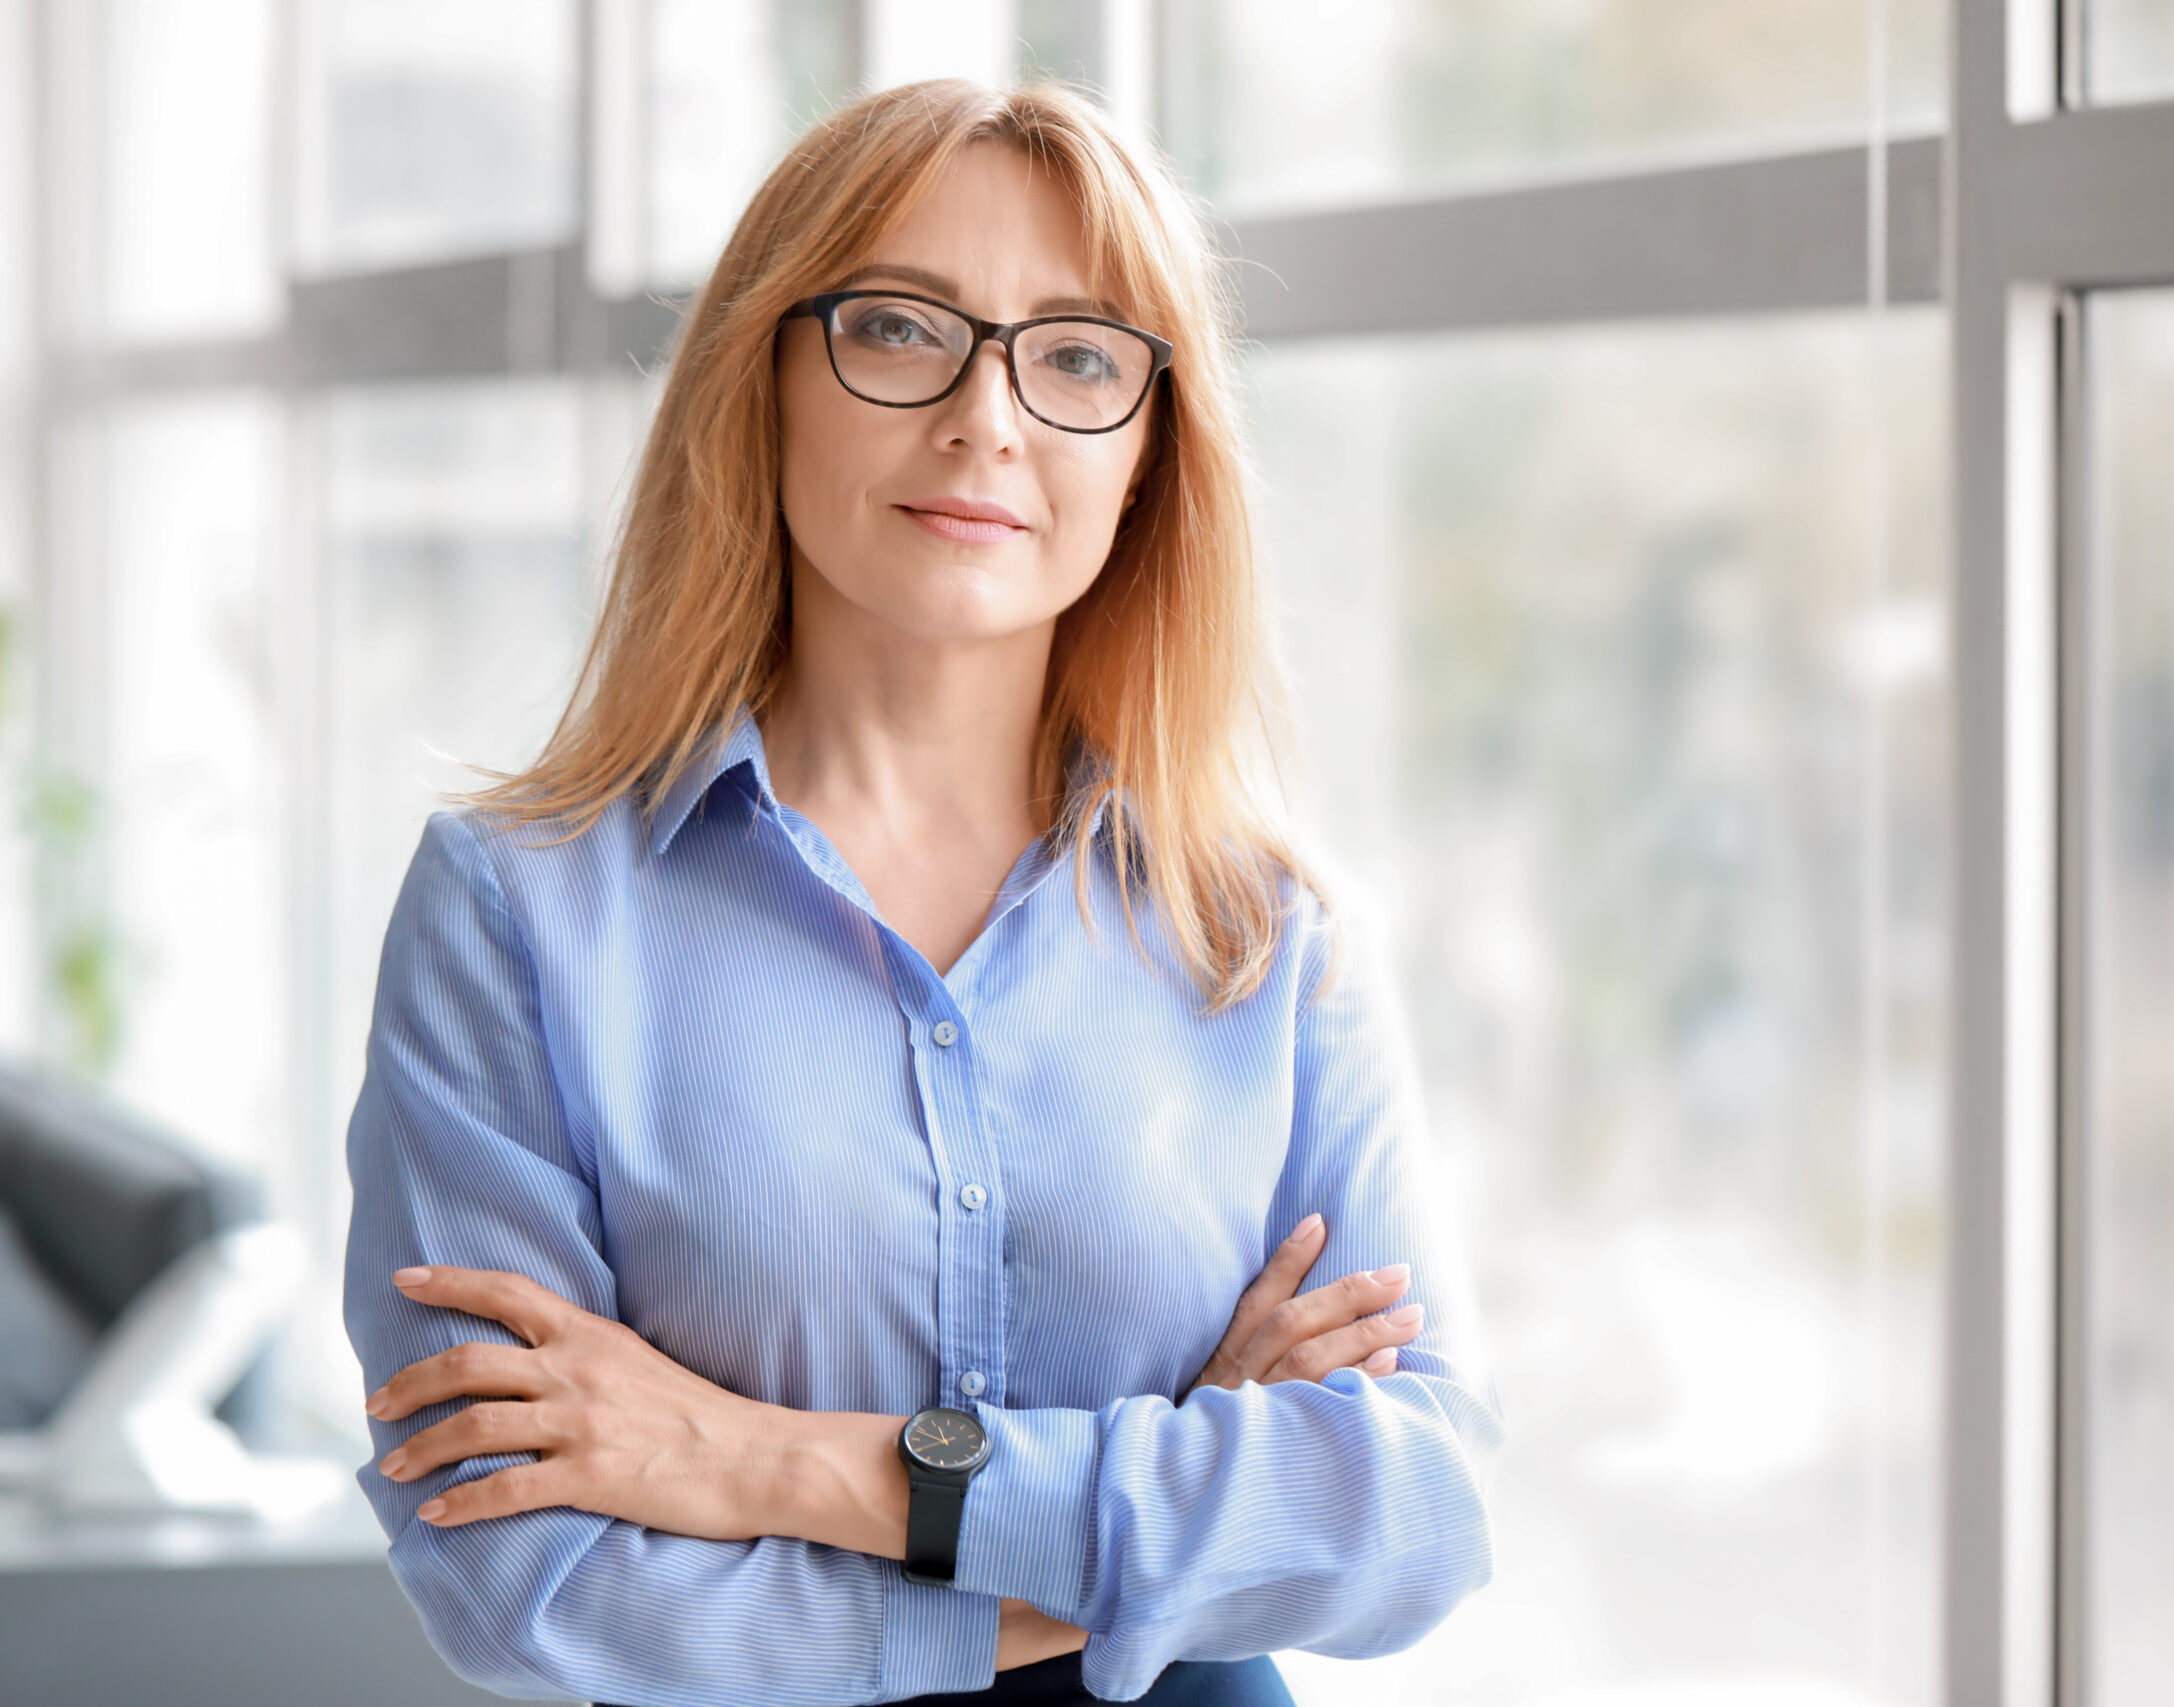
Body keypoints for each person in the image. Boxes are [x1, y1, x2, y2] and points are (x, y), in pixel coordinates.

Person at [341, 78, 1500, 1707]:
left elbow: (1416, 1506)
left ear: (1152, 451)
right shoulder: (516, 914)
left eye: (1080, 356)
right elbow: (509, 1564)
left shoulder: (1267, 933)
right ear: (766, 379)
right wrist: (1153, 1523)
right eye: (899, 331)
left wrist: (760, 1460)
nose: (989, 421)